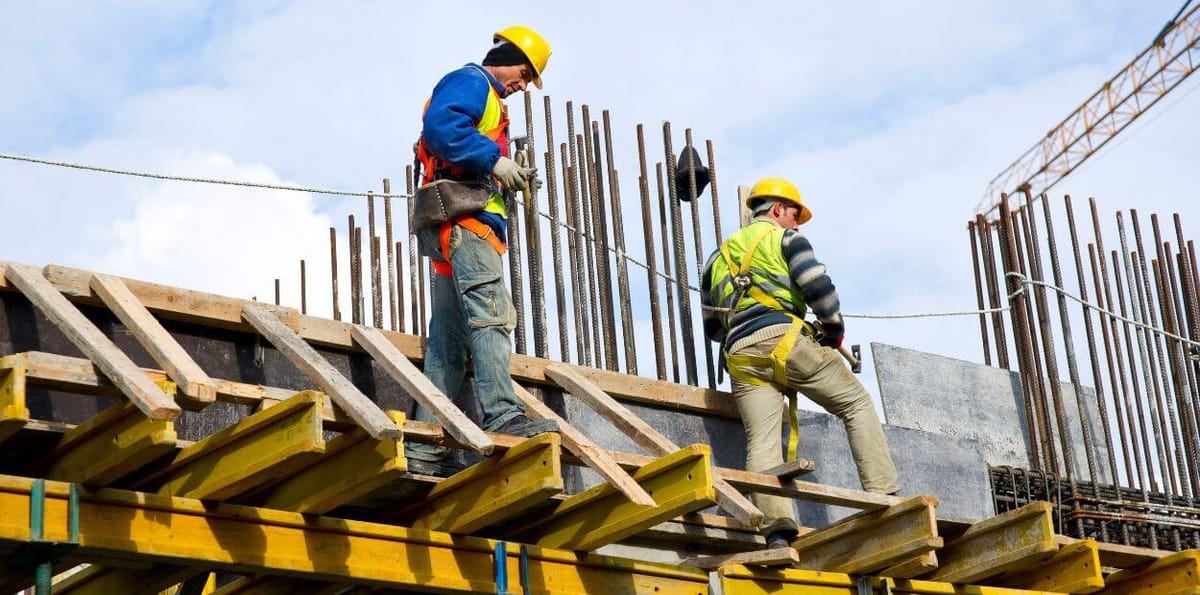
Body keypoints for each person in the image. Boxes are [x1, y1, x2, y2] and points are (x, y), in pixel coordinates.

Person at [700, 177, 899, 548]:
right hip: (786, 340)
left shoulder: (716, 258)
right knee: (856, 403)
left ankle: (776, 530)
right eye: (794, 215)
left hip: (740, 354)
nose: (796, 224)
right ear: (777, 210)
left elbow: (713, 326)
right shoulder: (786, 239)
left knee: (762, 441)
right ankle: (885, 495)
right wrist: (834, 330)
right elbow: (818, 287)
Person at [407, 25, 557, 477]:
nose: (524, 84)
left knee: (448, 344)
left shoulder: (488, 99)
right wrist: (495, 162)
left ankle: (425, 445)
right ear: (507, 57)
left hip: (453, 227)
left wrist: (503, 169)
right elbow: (442, 127)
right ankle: (503, 414)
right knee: (493, 317)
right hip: (467, 226)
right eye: (525, 72)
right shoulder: (474, 82)